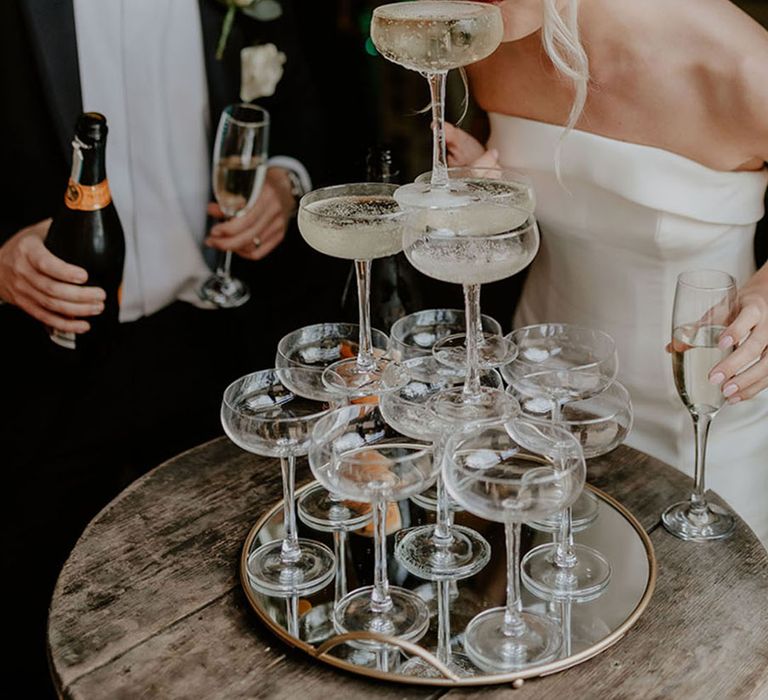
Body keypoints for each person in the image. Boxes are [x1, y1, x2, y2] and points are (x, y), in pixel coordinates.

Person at [0, 1, 330, 696]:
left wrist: (286, 181)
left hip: (223, 353)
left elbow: (313, 107)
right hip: (41, 370)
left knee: (236, 610)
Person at [446, 0, 768, 541]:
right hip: (539, 401)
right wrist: (487, 190)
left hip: (700, 401)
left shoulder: (744, 68)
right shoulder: (489, 37)